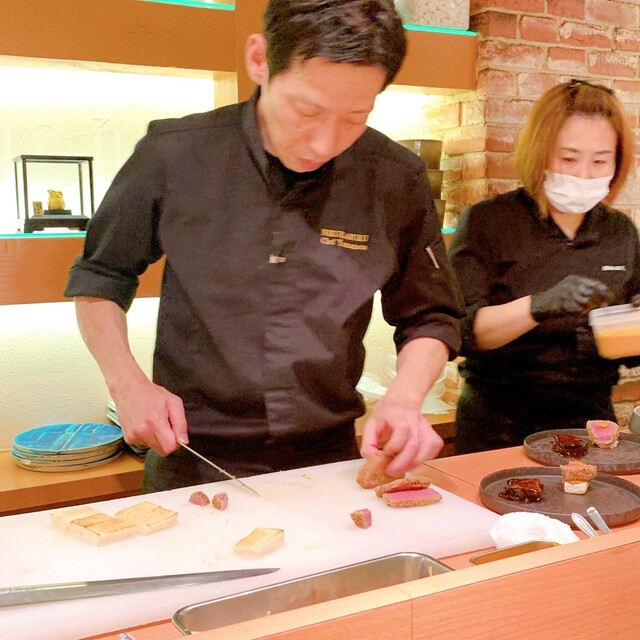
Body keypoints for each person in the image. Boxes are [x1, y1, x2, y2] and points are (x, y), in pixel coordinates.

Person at [65, 0, 465, 491]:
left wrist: (404, 398)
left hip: (329, 454)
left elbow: (429, 314)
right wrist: (126, 384)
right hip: (192, 451)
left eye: (354, 117)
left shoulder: (395, 177)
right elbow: (101, 277)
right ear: (259, 59)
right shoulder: (173, 154)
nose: (323, 143)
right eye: (306, 111)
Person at [448, 79, 640, 454]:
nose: (584, 174)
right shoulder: (489, 222)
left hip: (588, 422)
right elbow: (461, 333)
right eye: (569, 159)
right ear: (541, 154)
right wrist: (539, 306)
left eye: (600, 161)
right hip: (499, 426)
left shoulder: (620, 232)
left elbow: (630, 349)